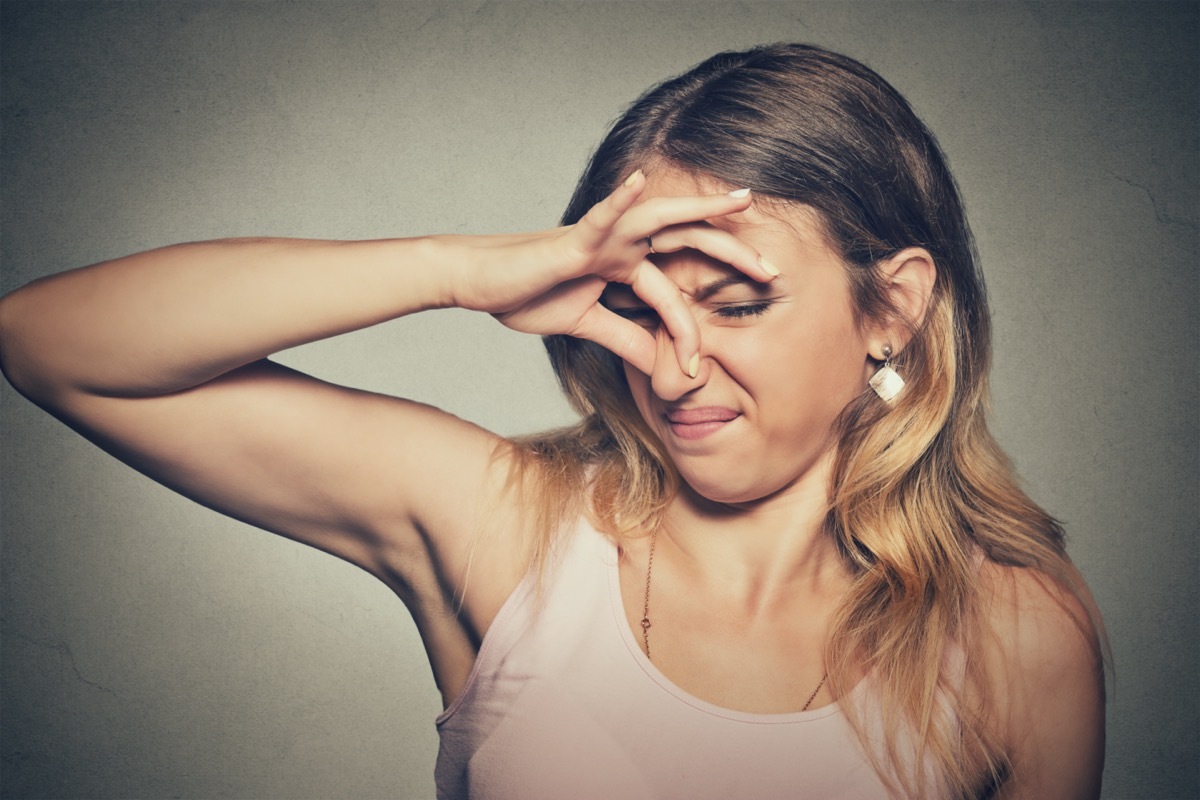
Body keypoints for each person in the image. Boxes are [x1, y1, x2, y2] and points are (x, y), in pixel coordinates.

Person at [0, 43, 1105, 799]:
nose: (676, 365)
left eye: (734, 302)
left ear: (892, 308)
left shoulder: (1016, 635)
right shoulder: (507, 523)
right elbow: (51, 343)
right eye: (638, 304)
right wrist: (461, 269)